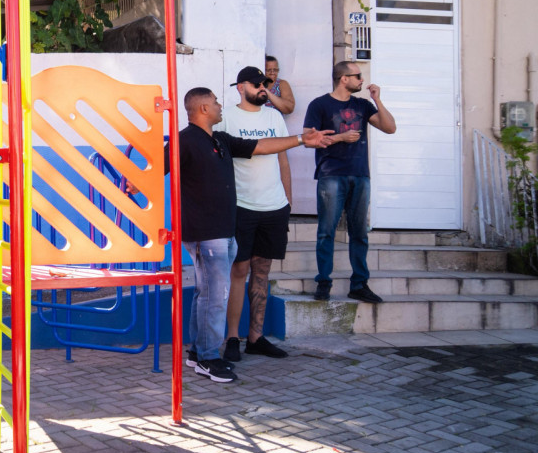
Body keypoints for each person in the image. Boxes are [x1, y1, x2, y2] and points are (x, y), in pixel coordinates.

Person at [152, 87, 329, 384]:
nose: (221, 106)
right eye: (216, 102)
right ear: (204, 108)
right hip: (205, 235)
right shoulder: (185, 140)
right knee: (215, 297)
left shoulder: (219, 139)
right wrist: (132, 187)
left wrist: (300, 139)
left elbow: (259, 146)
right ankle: (209, 358)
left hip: (224, 232)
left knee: (205, 294)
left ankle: (198, 352)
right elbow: (158, 167)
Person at [304, 62, 397, 303]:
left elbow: (390, 128)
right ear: (343, 79)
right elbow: (308, 139)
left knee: (359, 233)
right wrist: (340, 138)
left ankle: (359, 284)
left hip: (359, 174)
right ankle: (323, 282)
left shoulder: (363, 105)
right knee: (326, 231)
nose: (362, 80)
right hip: (331, 174)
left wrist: (377, 100)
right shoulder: (319, 104)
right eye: (357, 76)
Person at [219, 69, 291, 362]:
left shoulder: (274, 117)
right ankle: (232, 338)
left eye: (267, 84)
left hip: (274, 206)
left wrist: (288, 199)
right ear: (241, 87)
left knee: (262, 272)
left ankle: (256, 338)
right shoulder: (225, 118)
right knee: (239, 271)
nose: (264, 88)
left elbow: (283, 156)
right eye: (257, 84)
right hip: (242, 206)